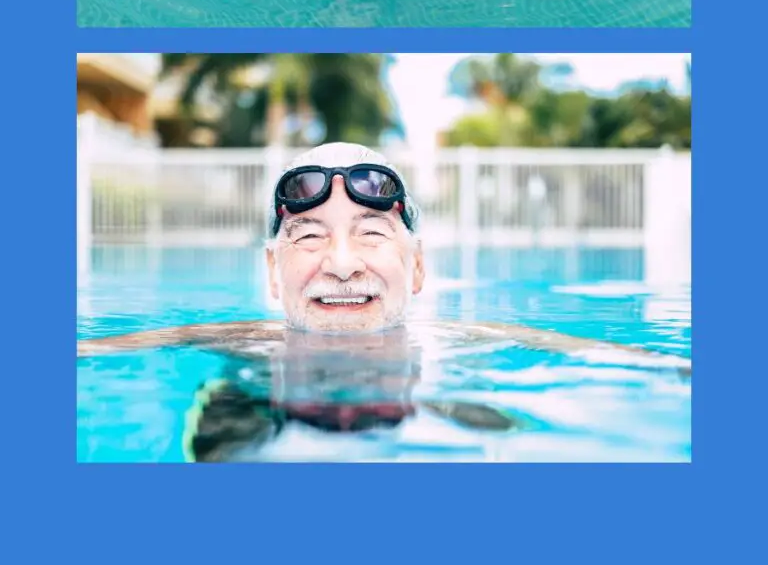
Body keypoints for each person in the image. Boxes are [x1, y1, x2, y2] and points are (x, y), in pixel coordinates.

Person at [78, 142, 691, 371]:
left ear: (418, 266)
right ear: (272, 271)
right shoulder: (226, 338)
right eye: (309, 236)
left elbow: (645, 366)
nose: (342, 263)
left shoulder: (476, 339)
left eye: (372, 233)